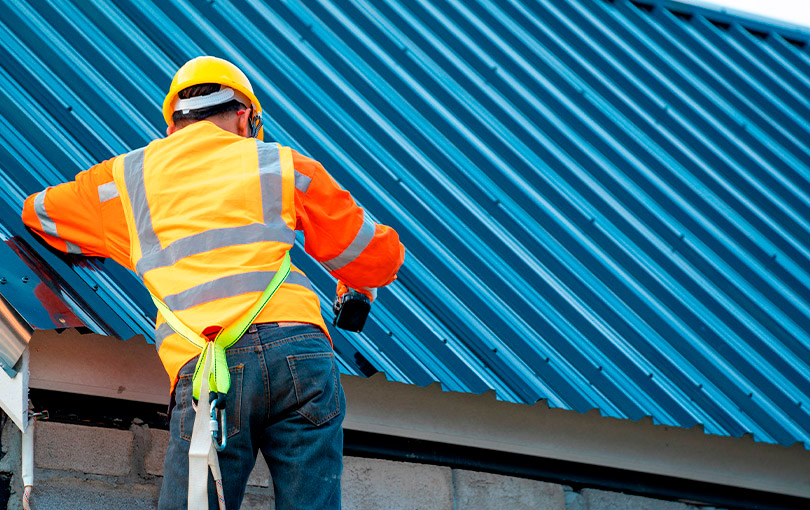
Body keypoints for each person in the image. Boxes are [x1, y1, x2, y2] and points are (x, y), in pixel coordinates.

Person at [21, 56, 405, 509]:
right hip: (300, 351)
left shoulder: (129, 178)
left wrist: (131, 244)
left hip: (210, 367)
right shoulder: (282, 164)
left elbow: (39, 213)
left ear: (173, 124)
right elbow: (374, 258)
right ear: (245, 117)